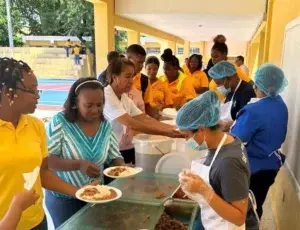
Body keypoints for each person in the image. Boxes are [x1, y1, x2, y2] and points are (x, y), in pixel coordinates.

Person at [0, 58, 78, 230]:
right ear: (8, 92)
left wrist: (80, 191)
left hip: (36, 222)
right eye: (32, 90)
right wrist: (16, 209)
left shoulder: (35, 126)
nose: (38, 95)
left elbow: (42, 173)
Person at [45, 78, 125, 228]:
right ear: (75, 103)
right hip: (65, 200)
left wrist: (123, 168)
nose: (95, 110)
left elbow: (114, 155)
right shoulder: (60, 122)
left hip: (97, 196)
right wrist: (78, 165)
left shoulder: (105, 125)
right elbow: (48, 160)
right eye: (88, 105)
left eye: (100, 105)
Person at [176, 91, 250, 230]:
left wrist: (204, 191)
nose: (187, 141)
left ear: (202, 130)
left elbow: (239, 218)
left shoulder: (229, 162)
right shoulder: (226, 139)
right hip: (211, 219)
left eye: (187, 136)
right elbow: (219, 178)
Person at [231, 64, 288, 219]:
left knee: (243, 211)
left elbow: (235, 140)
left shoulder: (253, 111)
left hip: (253, 169)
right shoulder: (280, 104)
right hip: (271, 165)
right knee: (257, 206)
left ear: (259, 85)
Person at [104, 57, 183, 164]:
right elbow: (132, 123)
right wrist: (166, 132)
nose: (131, 81)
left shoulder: (123, 97)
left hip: (124, 148)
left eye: (132, 77)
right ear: (114, 77)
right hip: (109, 152)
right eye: (127, 77)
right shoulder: (107, 96)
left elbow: (144, 119)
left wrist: (176, 129)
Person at [208, 61, 256, 131]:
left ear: (228, 78)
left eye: (219, 84)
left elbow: (248, 121)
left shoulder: (247, 92)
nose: (218, 87)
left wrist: (228, 125)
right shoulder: (230, 91)